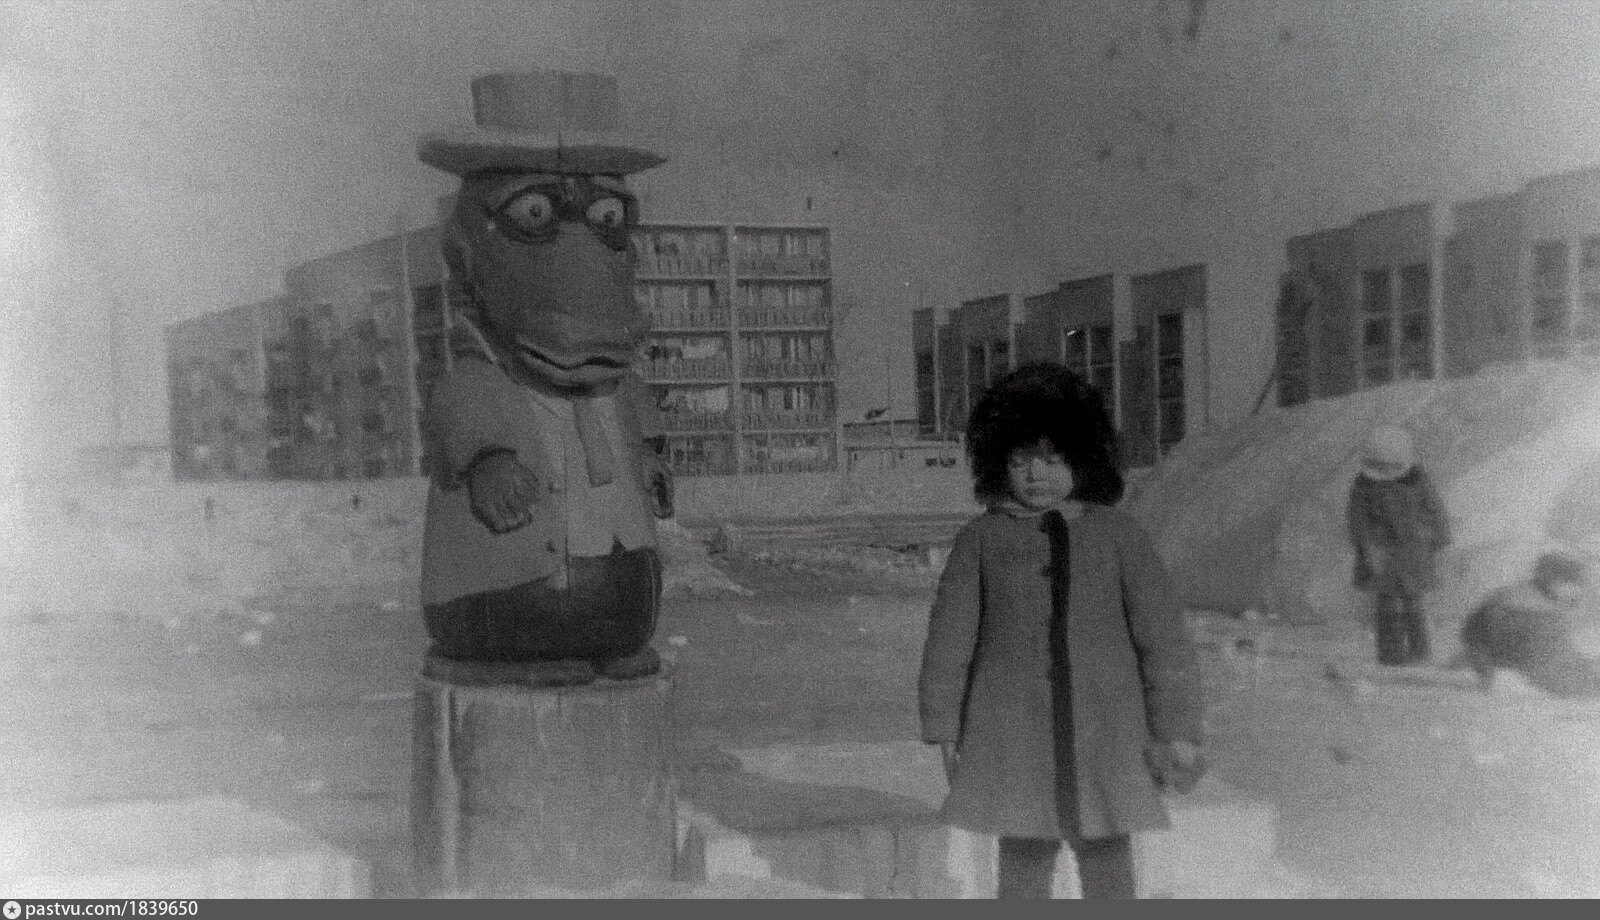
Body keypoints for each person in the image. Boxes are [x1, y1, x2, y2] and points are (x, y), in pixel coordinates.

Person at [918, 362, 1206, 900]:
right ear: (998, 462)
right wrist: (944, 725)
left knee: (1107, 852)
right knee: (1024, 854)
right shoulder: (981, 539)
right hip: (1015, 729)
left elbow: (1164, 640)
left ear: (1083, 459)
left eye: (1053, 459)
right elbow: (948, 641)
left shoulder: (1120, 536)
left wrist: (1177, 726)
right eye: (1021, 459)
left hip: (1107, 729)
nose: (1037, 474)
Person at [1346, 425, 1451, 666]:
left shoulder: (1418, 481)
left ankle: (1419, 653)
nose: (1385, 473)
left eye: (1391, 467)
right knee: (1388, 602)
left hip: (1414, 552)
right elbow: (1358, 518)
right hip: (1381, 552)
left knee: (1413, 600)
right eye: (1380, 467)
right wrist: (1367, 546)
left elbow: (1435, 511)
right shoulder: (1363, 485)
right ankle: (1391, 655)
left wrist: (1439, 537)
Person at [1456, 551, 1600, 698]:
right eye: (1574, 584)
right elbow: (1551, 668)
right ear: (1558, 582)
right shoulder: (1538, 613)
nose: (1578, 592)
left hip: (1488, 661)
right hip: (1509, 675)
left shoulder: (1521, 595)